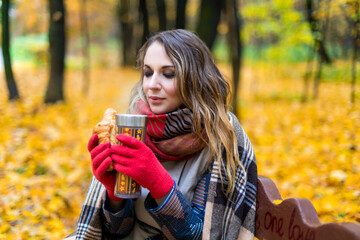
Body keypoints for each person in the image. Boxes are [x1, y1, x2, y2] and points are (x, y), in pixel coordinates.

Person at [72, 29, 257, 240]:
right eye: (148, 72)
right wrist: (114, 194)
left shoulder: (220, 140)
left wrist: (158, 182)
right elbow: (116, 232)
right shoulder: (134, 126)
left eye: (168, 74)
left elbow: (203, 236)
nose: (151, 85)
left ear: (194, 79)